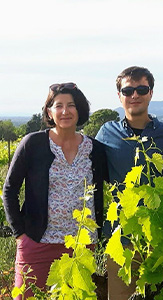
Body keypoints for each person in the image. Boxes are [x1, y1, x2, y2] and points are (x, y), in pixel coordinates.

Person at [3, 83, 108, 299]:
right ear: (49, 112)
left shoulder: (95, 149)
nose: (65, 111)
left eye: (71, 105)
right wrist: (20, 235)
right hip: (37, 243)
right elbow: (9, 189)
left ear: (80, 111)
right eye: (58, 105)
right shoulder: (33, 144)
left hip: (81, 246)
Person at [96, 66, 163, 300]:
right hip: (123, 239)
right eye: (127, 90)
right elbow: (94, 171)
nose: (134, 95)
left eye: (141, 89)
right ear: (119, 96)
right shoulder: (106, 133)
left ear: (151, 93)